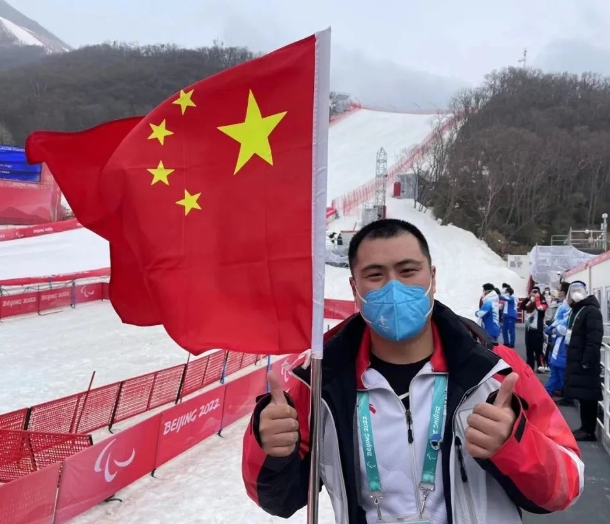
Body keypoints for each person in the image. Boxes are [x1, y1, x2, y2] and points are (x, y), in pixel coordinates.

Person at [242, 218, 584, 524]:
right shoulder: (320, 382)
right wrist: (269, 448)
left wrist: (514, 444)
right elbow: (278, 500)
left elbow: (566, 485)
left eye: (407, 271)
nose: (394, 287)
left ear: (432, 278)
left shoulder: (496, 371)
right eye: (375, 275)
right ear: (355, 289)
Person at [563, 281, 604, 442]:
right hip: (579, 358)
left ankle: (588, 430)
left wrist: (587, 360)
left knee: (588, 396)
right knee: (583, 395)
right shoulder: (580, 310)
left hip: (586, 362)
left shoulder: (591, 311)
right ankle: (584, 427)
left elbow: (594, 338)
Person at [544, 281, 571, 398]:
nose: (558, 292)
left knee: (559, 369)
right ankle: (556, 390)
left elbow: (563, 325)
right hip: (558, 343)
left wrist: (552, 329)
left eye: (560, 290)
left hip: (562, 343)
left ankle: (551, 392)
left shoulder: (567, 308)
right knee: (556, 369)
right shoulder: (563, 305)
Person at [520, 288, 548, 372]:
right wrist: (528, 298)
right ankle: (529, 366)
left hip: (537, 330)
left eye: (535, 292)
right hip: (528, 330)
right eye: (532, 292)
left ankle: (541, 366)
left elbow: (540, 308)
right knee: (529, 350)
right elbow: (522, 307)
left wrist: (537, 298)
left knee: (539, 350)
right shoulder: (529, 303)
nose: (533, 293)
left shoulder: (542, 302)